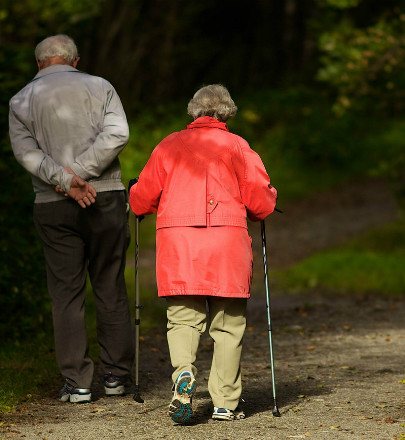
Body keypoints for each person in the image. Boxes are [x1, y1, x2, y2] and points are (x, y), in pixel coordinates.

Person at [129, 84, 277, 423]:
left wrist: (133, 190)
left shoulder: (168, 145)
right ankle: (225, 403)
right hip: (227, 246)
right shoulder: (239, 146)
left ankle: (184, 373)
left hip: (180, 247)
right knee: (228, 325)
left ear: (193, 112)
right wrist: (271, 196)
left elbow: (142, 200)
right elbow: (260, 202)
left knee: (182, 319)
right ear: (227, 113)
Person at [9, 34, 133, 403]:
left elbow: (25, 152)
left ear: (39, 64)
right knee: (110, 284)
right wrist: (81, 174)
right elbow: (118, 134)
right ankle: (115, 377)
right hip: (105, 195)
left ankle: (78, 383)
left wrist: (66, 179)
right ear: (75, 61)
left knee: (65, 294)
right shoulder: (100, 86)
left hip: (52, 202)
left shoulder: (21, 99)